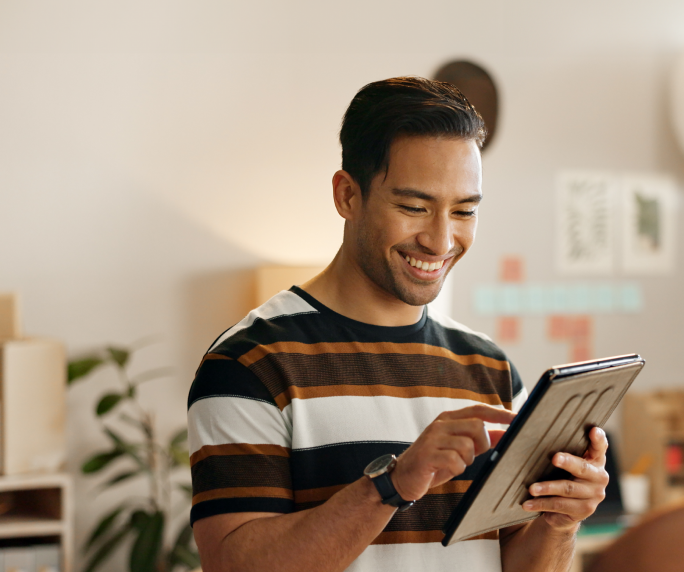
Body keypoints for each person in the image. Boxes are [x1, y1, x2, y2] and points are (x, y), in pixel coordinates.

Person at [187, 76, 609, 572]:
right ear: (347, 196)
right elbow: (237, 565)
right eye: (414, 207)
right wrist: (393, 484)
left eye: (464, 210)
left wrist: (559, 523)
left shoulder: (489, 367)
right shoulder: (250, 364)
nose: (441, 239)